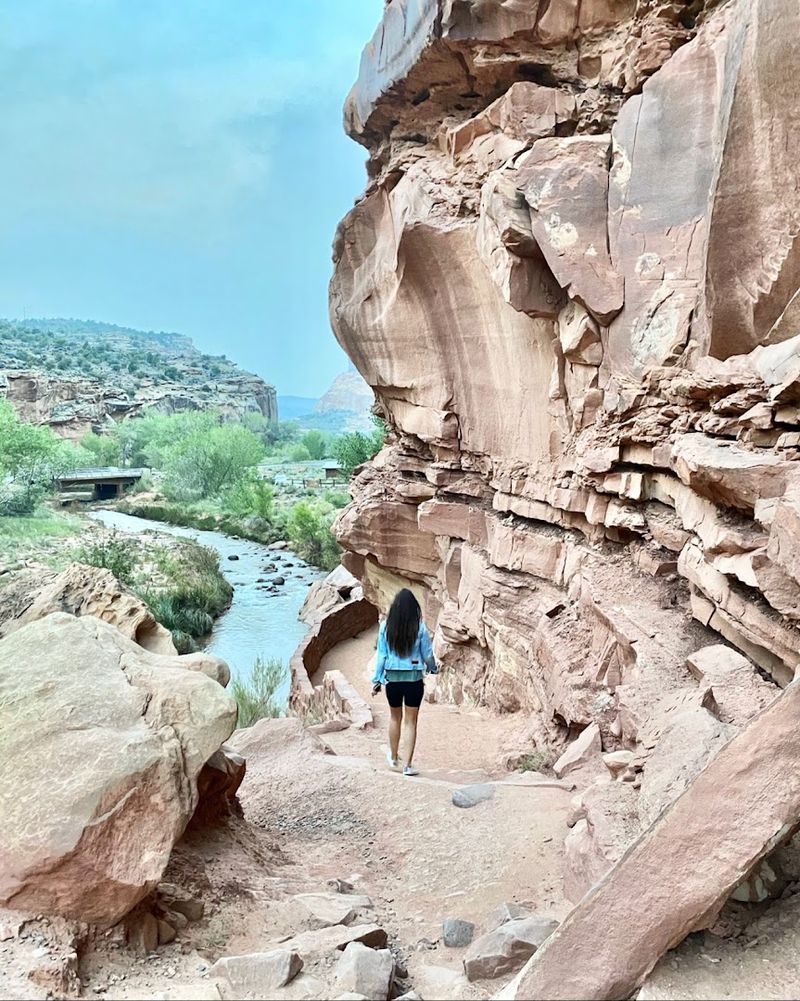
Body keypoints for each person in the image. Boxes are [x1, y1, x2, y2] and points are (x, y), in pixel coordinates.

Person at [371, 588, 437, 776]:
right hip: (414, 680)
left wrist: (377, 679)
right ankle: (407, 765)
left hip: (392, 680)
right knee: (410, 722)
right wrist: (433, 668)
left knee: (394, 718)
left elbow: (381, 656)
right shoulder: (420, 627)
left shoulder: (385, 627)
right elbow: (427, 654)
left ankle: (393, 757)